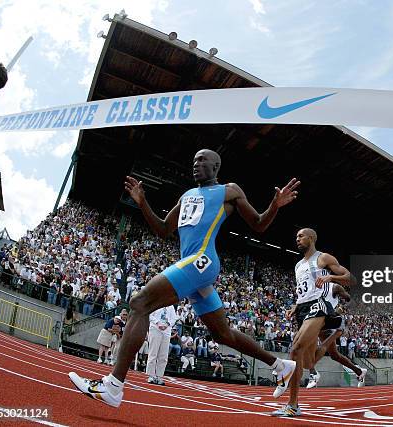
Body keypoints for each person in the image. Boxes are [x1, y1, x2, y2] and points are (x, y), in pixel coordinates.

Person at [69, 149, 299, 407]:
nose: (196, 164)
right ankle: (280, 365)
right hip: (192, 266)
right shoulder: (187, 196)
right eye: (194, 161)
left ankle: (113, 386)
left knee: (139, 303)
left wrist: (275, 206)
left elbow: (258, 224)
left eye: (202, 161)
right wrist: (143, 202)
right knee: (222, 334)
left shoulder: (229, 190)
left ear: (216, 166)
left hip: (202, 260)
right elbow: (164, 230)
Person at [271, 228, 352, 417]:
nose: (297, 239)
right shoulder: (298, 265)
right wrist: (295, 306)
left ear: (312, 238)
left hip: (319, 305)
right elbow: (302, 291)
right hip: (303, 308)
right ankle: (294, 403)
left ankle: (287, 386)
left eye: (301, 236)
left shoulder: (323, 258)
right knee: (304, 358)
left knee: (296, 349)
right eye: (296, 237)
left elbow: (348, 277)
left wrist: (331, 277)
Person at [306, 281, 366, 389]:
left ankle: (313, 373)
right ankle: (359, 371)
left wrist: (341, 308)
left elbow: (350, 299)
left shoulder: (334, 287)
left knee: (307, 343)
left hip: (327, 322)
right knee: (334, 355)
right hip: (316, 320)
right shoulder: (310, 286)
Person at [146, 305, 177, 385]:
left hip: (166, 331)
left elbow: (174, 318)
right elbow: (150, 315)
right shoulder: (157, 302)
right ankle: (151, 375)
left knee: (163, 355)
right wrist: (157, 322)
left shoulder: (171, 307)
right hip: (155, 328)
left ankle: (159, 376)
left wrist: (167, 324)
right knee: (153, 353)